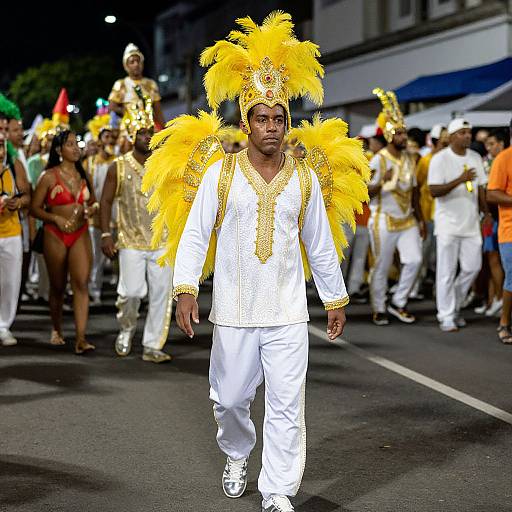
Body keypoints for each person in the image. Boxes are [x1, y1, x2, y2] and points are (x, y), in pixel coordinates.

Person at [143, 13, 369, 512]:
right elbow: (197, 232)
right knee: (229, 400)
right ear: (245, 123)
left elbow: (320, 243)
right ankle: (237, 453)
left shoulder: (305, 179)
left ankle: (277, 490)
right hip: (235, 309)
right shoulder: (221, 175)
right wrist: (184, 288)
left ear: (288, 123)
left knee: (287, 406)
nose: (271, 127)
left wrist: (333, 297)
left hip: (287, 311)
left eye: (279, 118)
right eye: (262, 118)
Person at [99, 97, 173, 363]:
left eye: (150, 131)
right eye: (142, 132)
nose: (147, 136)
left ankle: (153, 344)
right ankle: (127, 328)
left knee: (162, 296)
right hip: (129, 240)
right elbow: (105, 201)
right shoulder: (117, 167)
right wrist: (106, 234)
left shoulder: (163, 164)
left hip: (162, 240)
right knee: (131, 292)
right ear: (132, 136)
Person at [31, 130, 97, 353]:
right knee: (58, 286)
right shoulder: (48, 176)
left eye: (76, 144)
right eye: (70, 144)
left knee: (81, 283)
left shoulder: (83, 174)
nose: (76, 148)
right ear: (59, 150)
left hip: (80, 233)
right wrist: (56, 219)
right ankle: (57, 329)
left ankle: (80, 338)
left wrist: (90, 210)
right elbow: (34, 209)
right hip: (55, 234)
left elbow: (95, 202)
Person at [368, 88, 425, 326]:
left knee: (413, 260)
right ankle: (379, 307)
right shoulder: (378, 160)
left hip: (407, 219)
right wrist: (382, 180)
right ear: (391, 135)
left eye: (405, 134)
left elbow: (413, 192)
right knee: (381, 265)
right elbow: (366, 193)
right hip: (383, 219)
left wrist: (420, 219)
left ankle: (398, 302)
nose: (405, 138)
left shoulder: (410, 160)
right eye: (400, 134)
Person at [428, 119, 490, 332]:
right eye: (462, 132)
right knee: (446, 271)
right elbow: (433, 191)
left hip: (471, 223)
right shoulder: (440, 159)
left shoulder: (475, 157)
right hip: (447, 225)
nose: (467, 136)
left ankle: (452, 307)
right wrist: (460, 179)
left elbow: (481, 187)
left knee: (473, 268)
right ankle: (446, 315)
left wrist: (486, 212)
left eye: (469, 132)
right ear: (452, 136)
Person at [0, 132, 31, 346]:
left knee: (10, 282)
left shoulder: (15, 165)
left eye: (1, 145)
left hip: (11, 233)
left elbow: (28, 195)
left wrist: (17, 203)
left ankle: (3, 326)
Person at [411, 123, 449, 298]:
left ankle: (436, 289)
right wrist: (418, 214)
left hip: (443, 215)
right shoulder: (426, 161)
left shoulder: (450, 159)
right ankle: (414, 287)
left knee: (439, 256)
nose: (445, 145)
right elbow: (416, 187)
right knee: (423, 253)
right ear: (434, 142)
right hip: (427, 213)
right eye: (442, 142)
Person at [84, 116, 116, 306]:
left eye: (111, 137)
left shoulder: (117, 161)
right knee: (96, 255)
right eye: (105, 137)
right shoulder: (91, 163)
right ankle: (93, 291)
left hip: (115, 214)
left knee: (114, 254)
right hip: (96, 215)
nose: (109, 141)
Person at [475, 129, 508, 317]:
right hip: (491, 217)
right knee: (490, 259)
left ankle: (500, 299)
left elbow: (491, 193)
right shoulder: (489, 162)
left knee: (495, 259)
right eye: (487, 144)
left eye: (492, 143)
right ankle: (492, 299)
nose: (488, 148)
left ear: (502, 143)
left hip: (496, 218)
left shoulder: (499, 162)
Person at [486, 119, 512, 343]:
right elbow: (491, 194)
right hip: (509, 230)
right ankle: (504, 323)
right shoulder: (504, 158)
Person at [108, 43, 165, 129]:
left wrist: (165, 128)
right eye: (132, 62)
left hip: (150, 126)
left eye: (138, 61)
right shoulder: (121, 84)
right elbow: (112, 106)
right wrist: (126, 111)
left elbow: (158, 111)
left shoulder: (150, 83)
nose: (136, 64)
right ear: (126, 65)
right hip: (130, 128)